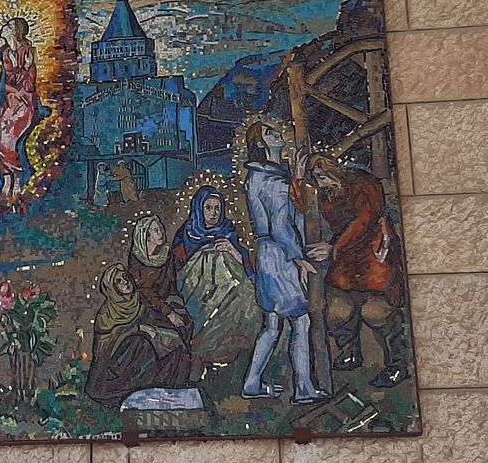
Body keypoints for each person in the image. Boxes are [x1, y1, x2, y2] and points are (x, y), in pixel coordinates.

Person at [238, 120, 330, 403]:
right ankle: (304, 389)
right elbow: (281, 225)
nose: (278, 134)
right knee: (301, 321)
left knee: (272, 324)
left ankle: (252, 383)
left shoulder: (259, 177)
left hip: (266, 255)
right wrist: (299, 259)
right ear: (260, 144)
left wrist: (297, 179)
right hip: (281, 256)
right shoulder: (273, 181)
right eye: (270, 133)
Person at [305, 153, 410, 388]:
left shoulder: (362, 183)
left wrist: (334, 247)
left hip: (374, 252)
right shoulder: (325, 193)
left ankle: (397, 364)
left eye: (322, 176)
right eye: (315, 178)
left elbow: (365, 220)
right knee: (337, 307)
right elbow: (301, 201)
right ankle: (349, 351)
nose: (320, 183)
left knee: (377, 310)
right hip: (346, 257)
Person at [170, 186, 261, 364]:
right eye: (208, 208)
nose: (214, 213)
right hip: (197, 291)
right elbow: (177, 270)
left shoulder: (227, 231)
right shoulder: (187, 233)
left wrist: (231, 250)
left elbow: (244, 264)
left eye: (217, 208)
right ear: (199, 208)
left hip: (228, 287)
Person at [84, 263, 196, 405]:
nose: (125, 282)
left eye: (125, 277)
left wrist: (168, 318)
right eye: (118, 281)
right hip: (116, 364)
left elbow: (155, 308)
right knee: (141, 342)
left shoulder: (139, 298)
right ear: (112, 288)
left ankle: (170, 388)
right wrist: (137, 329)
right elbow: (106, 346)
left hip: (144, 350)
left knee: (173, 343)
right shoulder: (106, 315)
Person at [0, 17, 48, 196]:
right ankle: (6, 177)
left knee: (9, 140)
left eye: (8, 25)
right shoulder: (4, 53)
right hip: (8, 102)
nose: (4, 27)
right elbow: (7, 81)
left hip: (24, 102)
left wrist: (25, 70)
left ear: (16, 31)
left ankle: (17, 177)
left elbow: (29, 84)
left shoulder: (27, 51)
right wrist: (13, 83)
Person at [126, 214, 192, 342]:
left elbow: (171, 282)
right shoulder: (137, 259)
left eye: (161, 229)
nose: (161, 233)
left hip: (167, 299)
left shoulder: (166, 254)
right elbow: (144, 291)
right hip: (147, 306)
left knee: (185, 323)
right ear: (146, 236)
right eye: (156, 231)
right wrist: (168, 312)